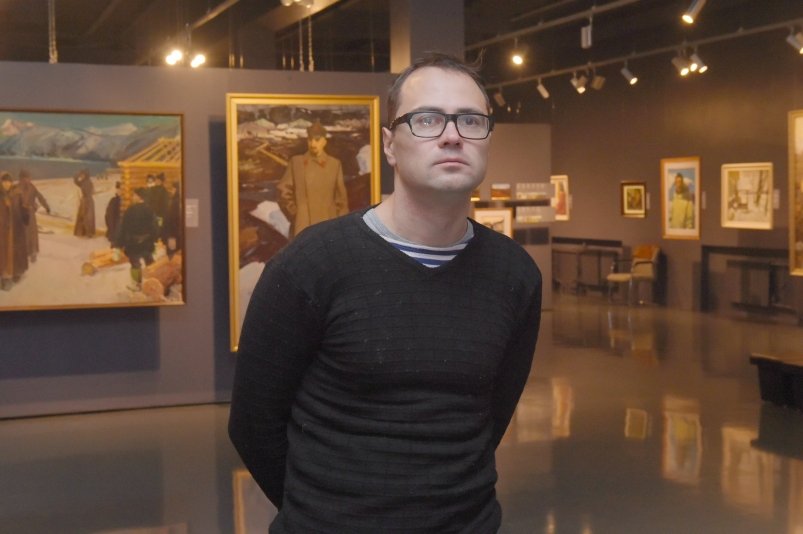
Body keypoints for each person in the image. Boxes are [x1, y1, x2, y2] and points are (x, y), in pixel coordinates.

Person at [229, 52, 543, 533]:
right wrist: (323, 511)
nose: (452, 135)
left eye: (471, 120)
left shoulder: (514, 275)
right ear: (390, 145)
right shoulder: (312, 264)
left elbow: (490, 417)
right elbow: (254, 422)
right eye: (427, 119)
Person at [276, 120, 349, 237]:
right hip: (302, 226)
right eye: (310, 140)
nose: (313, 144)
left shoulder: (334, 164)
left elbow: (341, 200)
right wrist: (296, 213)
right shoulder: (296, 162)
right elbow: (282, 192)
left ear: (324, 141)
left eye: (317, 140)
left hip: (328, 227)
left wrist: (339, 227)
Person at [113, 188, 159, 291]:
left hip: (133, 243)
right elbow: (155, 227)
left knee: (135, 264)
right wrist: (154, 239)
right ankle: (153, 282)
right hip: (147, 242)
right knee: (149, 261)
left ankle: (137, 285)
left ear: (139, 197)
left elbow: (123, 228)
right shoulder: (150, 210)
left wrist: (118, 244)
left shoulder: (130, 210)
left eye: (134, 195)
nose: (133, 197)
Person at [0, 172, 29, 290]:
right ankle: (4, 277)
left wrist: (26, 214)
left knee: (15, 252)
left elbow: (23, 209)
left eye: (9, 181)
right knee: (3, 254)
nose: (7, 184)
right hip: (2, 230)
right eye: (4, 181)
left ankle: (14, 274)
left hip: (15, 229)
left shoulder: (17, 194)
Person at [17, 169, 50, 262]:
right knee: (22, 234)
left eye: (29, 177)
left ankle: (32, 252)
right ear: (22, 178)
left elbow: (40, 197)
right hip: (20, 214)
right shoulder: (16, 188)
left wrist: (46, 206)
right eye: (27, 177)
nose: (29, 179)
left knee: (31, 234)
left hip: (30, 214)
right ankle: (23, 253)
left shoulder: (32, 187)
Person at [73, 169, 96, 237]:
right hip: (85, 200)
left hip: (87, 201)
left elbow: (89, 192)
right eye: (81, 175)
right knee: (84, 216)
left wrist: (77, 175)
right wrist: (77, 175)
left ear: (85, 175)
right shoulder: (84, 182)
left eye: (82, 175)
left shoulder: (87, 182)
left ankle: (88, 233)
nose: (81, 176)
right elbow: (76, 181)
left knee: (87, 217)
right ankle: (84, 232)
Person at [104, 181, 123, 246]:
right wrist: (111, 231)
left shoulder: (125, 200)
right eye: (119, 189)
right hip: (115, 228)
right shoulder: (114, 201)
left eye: (121, 189)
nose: (120, 191)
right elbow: (109, 217)